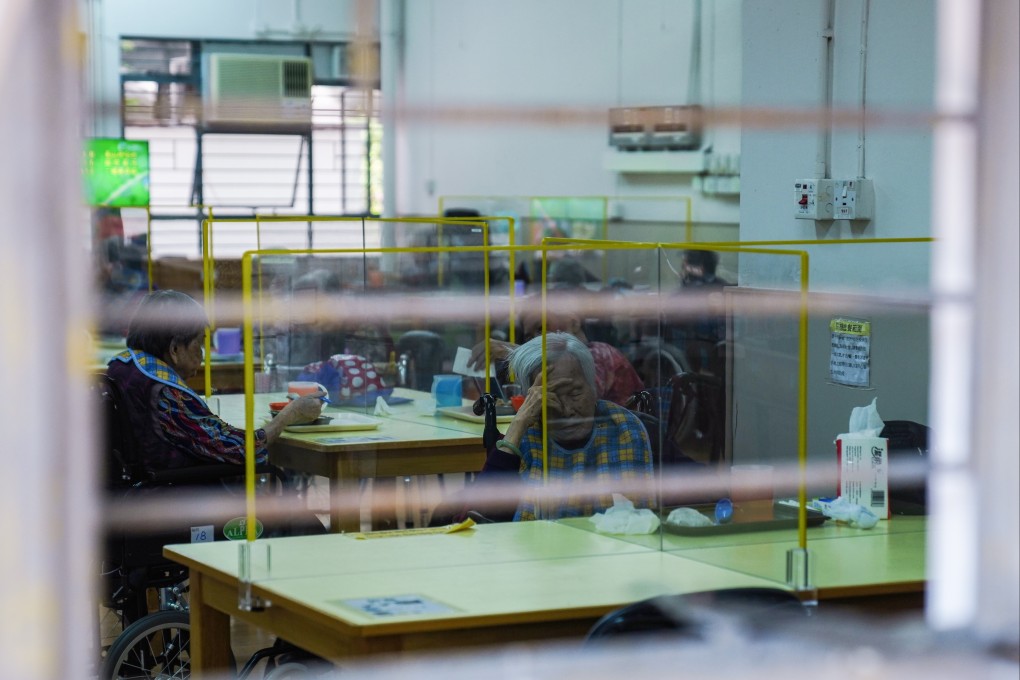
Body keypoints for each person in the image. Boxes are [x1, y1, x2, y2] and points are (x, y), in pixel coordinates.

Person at [107, 290, 324, 471]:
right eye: (199, 343)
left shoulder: (122, 366)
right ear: (174, 349)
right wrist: (288, 415)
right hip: (179, 493)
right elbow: (240, 449)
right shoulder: (166, 394)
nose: (202, 355)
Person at [464, 332, 655, 521]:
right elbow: (482, 514)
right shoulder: (526, 436)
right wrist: (519, 423)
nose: (567, 410)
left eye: (574, 393)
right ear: (532, 399)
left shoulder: (625, 430)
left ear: (594, 387)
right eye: (551, 397)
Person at [467, 297, 644, 406]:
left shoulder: (603, 354)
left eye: (542, 328)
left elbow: (574, 397)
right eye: (530, 337)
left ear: (573, 322)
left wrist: (516, 353)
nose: (536, 341)